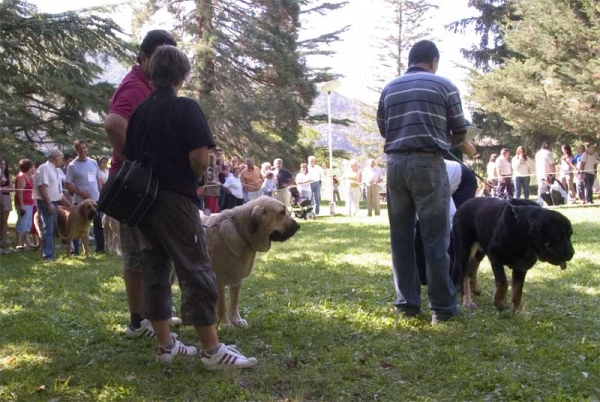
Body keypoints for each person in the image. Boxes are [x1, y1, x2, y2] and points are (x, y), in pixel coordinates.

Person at [123, 45, 257, 368]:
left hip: (143, 203)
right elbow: (199, 158)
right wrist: (194, 177)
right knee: (196, 267)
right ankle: (212, 350)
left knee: (155, 268)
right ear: (182, 75)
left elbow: (129, 155)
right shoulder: (187, 109)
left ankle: (165, 345)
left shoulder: (140, 112)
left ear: (152, 74)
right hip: (176, 199)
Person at [377, 40, 470, 324]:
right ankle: (441, 308)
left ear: (411, 60)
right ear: (433, 60)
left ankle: (407, 304)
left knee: (401, 238)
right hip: (429, 163)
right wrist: (440, 138)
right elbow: (461, 131)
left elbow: (384, 128)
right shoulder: (445, 85)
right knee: (435, 236)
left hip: (394, 165)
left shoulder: (390, 88)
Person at [104, 30, 181, 338]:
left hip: (139, 187)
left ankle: (152, 315)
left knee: (151, 253)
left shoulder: (148, 86)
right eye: (160, 57)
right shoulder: (135, 87)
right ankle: (139, 322)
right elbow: (112, 124)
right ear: (145, 57)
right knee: (138, 257)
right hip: (133, 190)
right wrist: (138, 164)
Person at [65, 139, 104, 254]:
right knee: (77, 225)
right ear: (76, 150)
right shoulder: (72, 166)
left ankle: (100, 248)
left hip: (95, 200)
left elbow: (97, 179)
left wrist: (101, 193)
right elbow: (68, 185)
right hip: (80, 202)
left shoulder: (93, 162)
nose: (83, 150)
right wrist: (82, 193)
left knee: (98, 224)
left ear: (87, 149)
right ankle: (75, 250)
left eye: (84, 148)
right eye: (80, 149)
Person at [33, 149, 72, 261]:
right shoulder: (44, 168)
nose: (62, 159)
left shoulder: (55, 170)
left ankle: (50, 253)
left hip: (54, 201)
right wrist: (49, 203)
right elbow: (41, 187)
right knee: (48, 227)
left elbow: (59, 193)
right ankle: (48, 256)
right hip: (46, 202)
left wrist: (70, 205)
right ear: (55, 157)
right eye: (61, 157)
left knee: (51, 228)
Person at [14, 159, 35, 249]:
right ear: (29, 167)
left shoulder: (28, 177)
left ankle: (27, 242)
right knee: (22, 222)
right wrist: (22, 206)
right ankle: (18, 242)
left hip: (29, 203)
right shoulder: (22, 177)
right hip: (24, 203)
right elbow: (19, 192)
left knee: (27, 222)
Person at [0, 157, 13, 249]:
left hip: (6, 198)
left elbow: (11, 188)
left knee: (5, 221)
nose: (3, 166)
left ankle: (3, 240)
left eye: (4, 164)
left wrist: (2, 189)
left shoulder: (8, 175)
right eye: (1, 164)